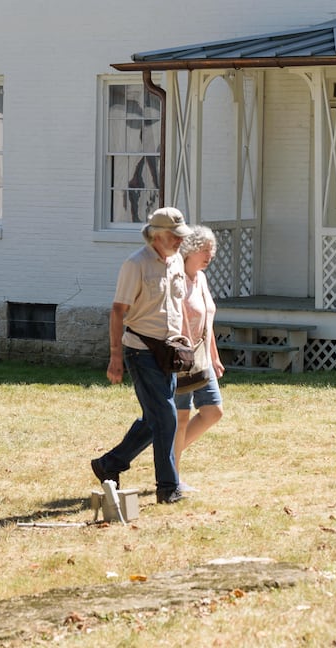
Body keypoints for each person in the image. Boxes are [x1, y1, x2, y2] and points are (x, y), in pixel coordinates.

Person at [91, 206, 192, 505]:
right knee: (166, 416)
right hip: (142, 350)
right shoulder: (135, 265)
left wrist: (186, 344)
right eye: (175, 236)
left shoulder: (175, 263)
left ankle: (109, 463)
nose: (179, 241)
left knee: (154, 419)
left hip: (170, 351)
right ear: (157, 235)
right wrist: (115, 357)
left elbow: (178, 307)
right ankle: (168, 487)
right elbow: (118, 311)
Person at [174, 226, 224, 489]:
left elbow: (207, 321)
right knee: (181, 418)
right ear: (190, 250)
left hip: (202, 360)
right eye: (204, 250)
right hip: (181, 360)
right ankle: (173, 476)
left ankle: (170, 455)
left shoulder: (201, 279)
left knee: (213, 411)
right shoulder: (177, 279)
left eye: (211, 250)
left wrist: (214, 357)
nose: (209, 255)